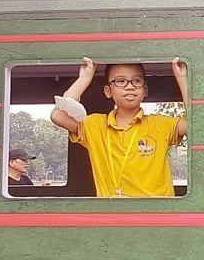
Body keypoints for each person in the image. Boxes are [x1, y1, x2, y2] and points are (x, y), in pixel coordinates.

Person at [50, 56, 188, 197]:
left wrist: (182, 79)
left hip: (156, 215)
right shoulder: (96, 125)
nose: (130, 86)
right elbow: (58, 116)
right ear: (108, 91)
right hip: (114, 215)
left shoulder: (161, 125)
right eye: (120, 81)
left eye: (137, 81)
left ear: (145, 90)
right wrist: (84, 78)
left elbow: (196, 124)